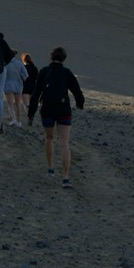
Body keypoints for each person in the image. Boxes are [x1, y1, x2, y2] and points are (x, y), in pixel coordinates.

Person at [27, 46, 85, 189]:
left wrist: (31, 114)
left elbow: (36, 94)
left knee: (49, 138)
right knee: (64, 143)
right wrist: (80, 104)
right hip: (63, 109)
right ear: (64, 58)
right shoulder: (67, 73)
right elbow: (77, 91)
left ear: (51, 57)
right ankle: (65, 177)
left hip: (47, 109)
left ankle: (51, 168)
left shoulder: (44, 71)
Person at [2, 51, 26, 127]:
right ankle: (19, 121)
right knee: (18, 104)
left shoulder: (5, 64)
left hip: (8, 85)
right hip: (18, 86)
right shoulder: (20, 63)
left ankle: (13, 119)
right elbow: (25, 75)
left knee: (10, 104)